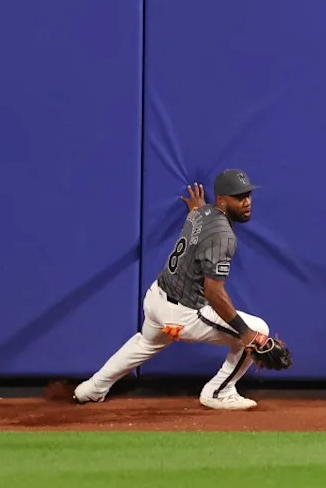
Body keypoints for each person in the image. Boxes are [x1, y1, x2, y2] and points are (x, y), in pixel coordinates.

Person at [73, 169, 283, 410]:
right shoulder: (224, 236)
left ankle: (90, 389)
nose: (247, 202)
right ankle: (219, 392)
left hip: (156, 298)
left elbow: (199, 214)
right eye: (239, 197)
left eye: (248, 195)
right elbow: (214, 293)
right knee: (257, 331)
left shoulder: (201, 213)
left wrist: (199, 208)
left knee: (145, 343)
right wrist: (245, 334)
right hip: (183, 313)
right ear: (223, 200)